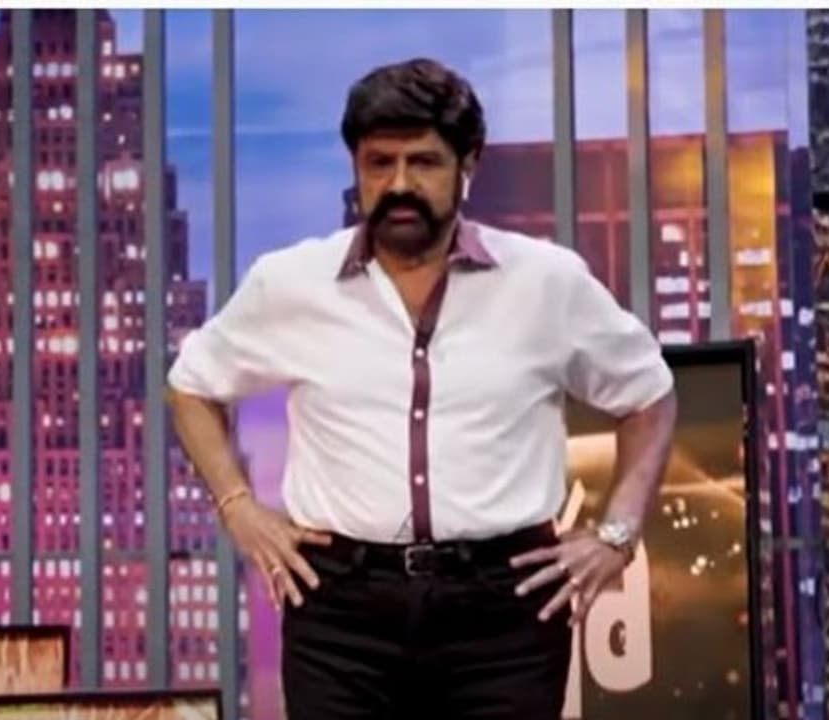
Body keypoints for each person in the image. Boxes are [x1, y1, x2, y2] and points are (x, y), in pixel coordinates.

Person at [166, 57, 677, 720]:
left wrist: (618, 531)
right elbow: (191, 388)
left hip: (503, 613)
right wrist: (239, 508)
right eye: (379, 163)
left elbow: (648, 395)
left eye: (424, 162)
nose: (399, 184)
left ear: (469, 164)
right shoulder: (290, 283)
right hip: (340, 613)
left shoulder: (545, 282)